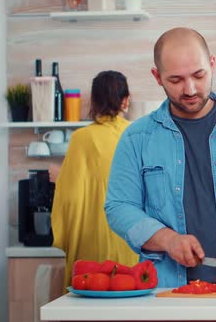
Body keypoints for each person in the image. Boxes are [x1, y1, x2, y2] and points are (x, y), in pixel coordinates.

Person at [105, 27, 216, 287]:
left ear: (212, 64)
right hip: (167, 292)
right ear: (157, 77)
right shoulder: (136, 138)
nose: (190, 89)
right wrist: (167, 239)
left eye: (199, 75)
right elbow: (119, 206)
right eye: (176, 80)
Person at [51, 70, 139, 292]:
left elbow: (70, 198)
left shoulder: (81, 139)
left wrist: (59, 178)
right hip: (131, 242)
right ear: (126, 100)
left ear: (93, 101)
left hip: (91, 245)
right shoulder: (136, 134)